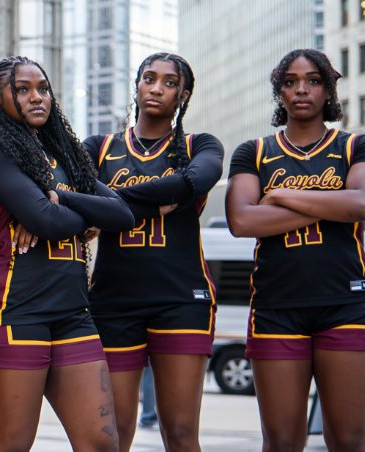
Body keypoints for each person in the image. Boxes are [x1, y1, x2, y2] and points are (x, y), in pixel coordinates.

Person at [0, 56, 134, 451]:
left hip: (73, 314)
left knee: (101, 443)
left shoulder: (66, 157)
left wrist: (60, 198)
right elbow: (47, 222)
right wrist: (67, 211)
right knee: (13, 445)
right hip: (14, 312)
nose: (37, 97)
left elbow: (122, 214)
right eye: (22, 90)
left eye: (42, 88)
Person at [226, 48, 365, 452]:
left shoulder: (358, 147)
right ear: (279, 91)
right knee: (280, 443)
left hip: (345, 305)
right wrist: (332, 204)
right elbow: (242, 221)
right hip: (276, 307)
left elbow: (364, 204)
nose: (302, 89)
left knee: (349, 441)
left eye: (313, 80)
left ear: (328, 89)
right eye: (291, 81)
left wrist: (282, 195)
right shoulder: (254, 152)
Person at [81, 52, 223, 451]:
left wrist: (114, 203)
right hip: (113, 301)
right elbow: (82, 202)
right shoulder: (99, 146)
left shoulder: (201, 144)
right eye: (149, 78)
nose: (157, 88)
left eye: (169, 82)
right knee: (114, 434)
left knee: (179, 433)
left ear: (184, 94)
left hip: (182, 299)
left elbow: (197, 180)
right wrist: (159, 199)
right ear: (137, 85)